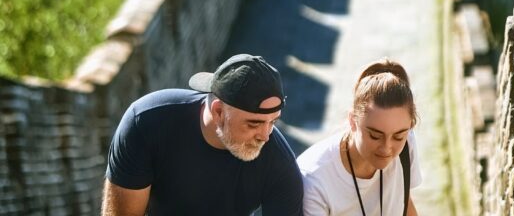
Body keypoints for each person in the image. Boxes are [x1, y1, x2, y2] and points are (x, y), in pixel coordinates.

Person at [101, 53, 304, 215]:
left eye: (273, 122)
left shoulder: (280, 165)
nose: (265, 136)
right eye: (254, 123)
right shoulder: (146, 123)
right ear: (218, 112)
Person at [297, 58, 421, 216]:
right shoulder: (313, 179)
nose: (386, 148)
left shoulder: (407, 143)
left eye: (398, 136)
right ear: (352, 120)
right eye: (375, 136)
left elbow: (405, 202)